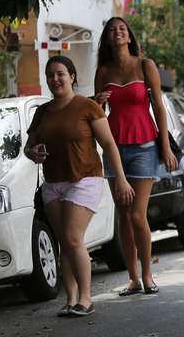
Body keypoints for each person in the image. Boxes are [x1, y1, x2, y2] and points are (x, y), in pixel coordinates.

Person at [28, 56, 135, 316]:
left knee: (74, 238)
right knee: (65, 242)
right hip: (53, 183)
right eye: (50, 75)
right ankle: (71, 299)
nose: (55, 79)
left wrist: (120, 178)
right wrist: (34, 153)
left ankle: (86, 299)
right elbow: (28, 147)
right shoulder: (42, 112)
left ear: (72, 77)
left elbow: (109, 144)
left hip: (85, 179)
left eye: (61, 74)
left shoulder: (87, 106)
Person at [94, 17, 177, 297]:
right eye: (112, 30)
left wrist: (165, 147)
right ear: (107, 39)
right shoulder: (103, 71)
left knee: (137, 215)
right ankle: (132, 278)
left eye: (122, 29)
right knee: (123, 216)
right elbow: (97, 115)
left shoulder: (145, 65)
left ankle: (148, 275)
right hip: (114, 150)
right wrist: (98, 104)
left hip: (144, 146)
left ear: (129, 36)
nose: (118, 33)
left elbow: (159, 108)